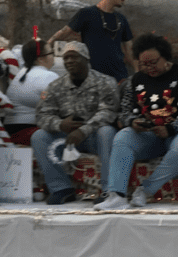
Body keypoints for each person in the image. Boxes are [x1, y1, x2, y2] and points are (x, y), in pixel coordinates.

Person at [95, 34, 178, 211]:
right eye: (144, 64)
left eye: (153, 62)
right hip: (152, 134)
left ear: (165, 57)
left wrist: (171, 128)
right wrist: (132, 122)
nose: (149, 68)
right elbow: (124, 111)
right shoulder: (135, 80)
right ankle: (116, 195)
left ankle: (146, 189)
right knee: (123, 137)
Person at [30, 42, 119, 205]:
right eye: (66, 58)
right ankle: (61, 189)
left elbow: (109, 112)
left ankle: (109, 190)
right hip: (68, 138)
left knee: (107, 132)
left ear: (86, 58)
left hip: (95, 137)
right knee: (39, 136)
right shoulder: (55, 86)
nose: (69, 61)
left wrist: (84, 130)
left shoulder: (106, 82)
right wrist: (60, 124)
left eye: (74, 57)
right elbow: (41, 115)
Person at [49, 0, 136, 82]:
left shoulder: (121, 19)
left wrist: (138, 72)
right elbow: (64, 32)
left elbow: (130, 50)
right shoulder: (86, 14)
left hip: (119, 78)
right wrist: (45, 46)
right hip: (93, 79)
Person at [4, 37, 59, 146]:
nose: (54, 56)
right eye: (51, 53)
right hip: (28, 132)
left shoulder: (21, 74)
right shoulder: (47, 76)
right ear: (40, 59)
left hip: (10, 131)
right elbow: (65, 104)